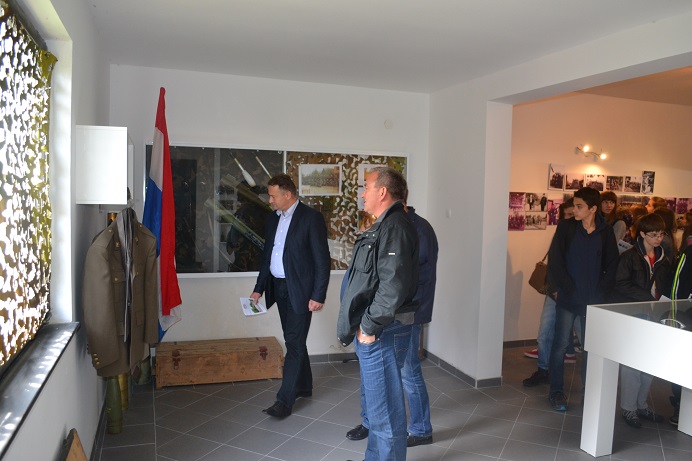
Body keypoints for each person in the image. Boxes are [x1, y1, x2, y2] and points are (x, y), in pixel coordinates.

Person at [337, 167, 419, 461]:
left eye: (367, 187)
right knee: (377, 409)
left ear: (382, 191)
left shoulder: (394, 227)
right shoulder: (386, 225)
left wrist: (369, 327)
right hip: (380, 329)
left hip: (384, 331)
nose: (362, 194)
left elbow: (392, 286)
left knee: (385, 414)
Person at [345, 194, 439, 448]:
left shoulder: (414, 227)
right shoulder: (391, 224)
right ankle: (369, 422)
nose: (364, 196)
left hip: (406, 316)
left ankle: (421, 428)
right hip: (386, 315)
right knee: (373, 372)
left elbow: (405, 277)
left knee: (408, 371)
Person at [250, 174, 331, 418]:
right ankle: (304, 385)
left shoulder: (311, 218)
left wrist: (318, 295)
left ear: (288, 194)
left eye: (273, 196)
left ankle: (284, 401)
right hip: (278, 289)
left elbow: (322, 261)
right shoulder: (274, 218)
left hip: (301, 292)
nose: (270, 200)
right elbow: (268, 257)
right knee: (294, 339)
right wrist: (259, 288)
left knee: (293, 344)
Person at [546, 187, 619, 411]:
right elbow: (556, 260)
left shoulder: (605, 231)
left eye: (579, 206)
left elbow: (612, 264)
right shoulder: (566, 227)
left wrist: (601, 293)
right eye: (574, 205)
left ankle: (590, 392)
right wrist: (564, 288)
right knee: (560, 346)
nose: (575, 210)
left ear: (593, 209)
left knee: (590, 348)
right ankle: (556, 392)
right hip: (568, 298)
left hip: (593, 301)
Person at [612, 213, 672, 428]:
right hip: (635, 313)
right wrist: (648, 298)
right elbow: (621, 284)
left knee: (649, 362)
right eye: (654, 235)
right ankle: (629, 408)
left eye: (661, 234)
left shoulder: (664, 258)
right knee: (632, 363)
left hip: (655, 314)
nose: (658, 239)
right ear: (643, 234)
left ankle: (641, 405)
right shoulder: (630, 256)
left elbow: (666, 285)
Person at [523, 199, 577, 387]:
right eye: (566, 215)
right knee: (545, 333)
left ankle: (590, 381)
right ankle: (543, 370)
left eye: (572, 214)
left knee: (586, 338)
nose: (569, 219)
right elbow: (554, 264)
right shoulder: (560, 233)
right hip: (556, 292)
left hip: (578, 294)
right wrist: (554, 290)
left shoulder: (589, 236)